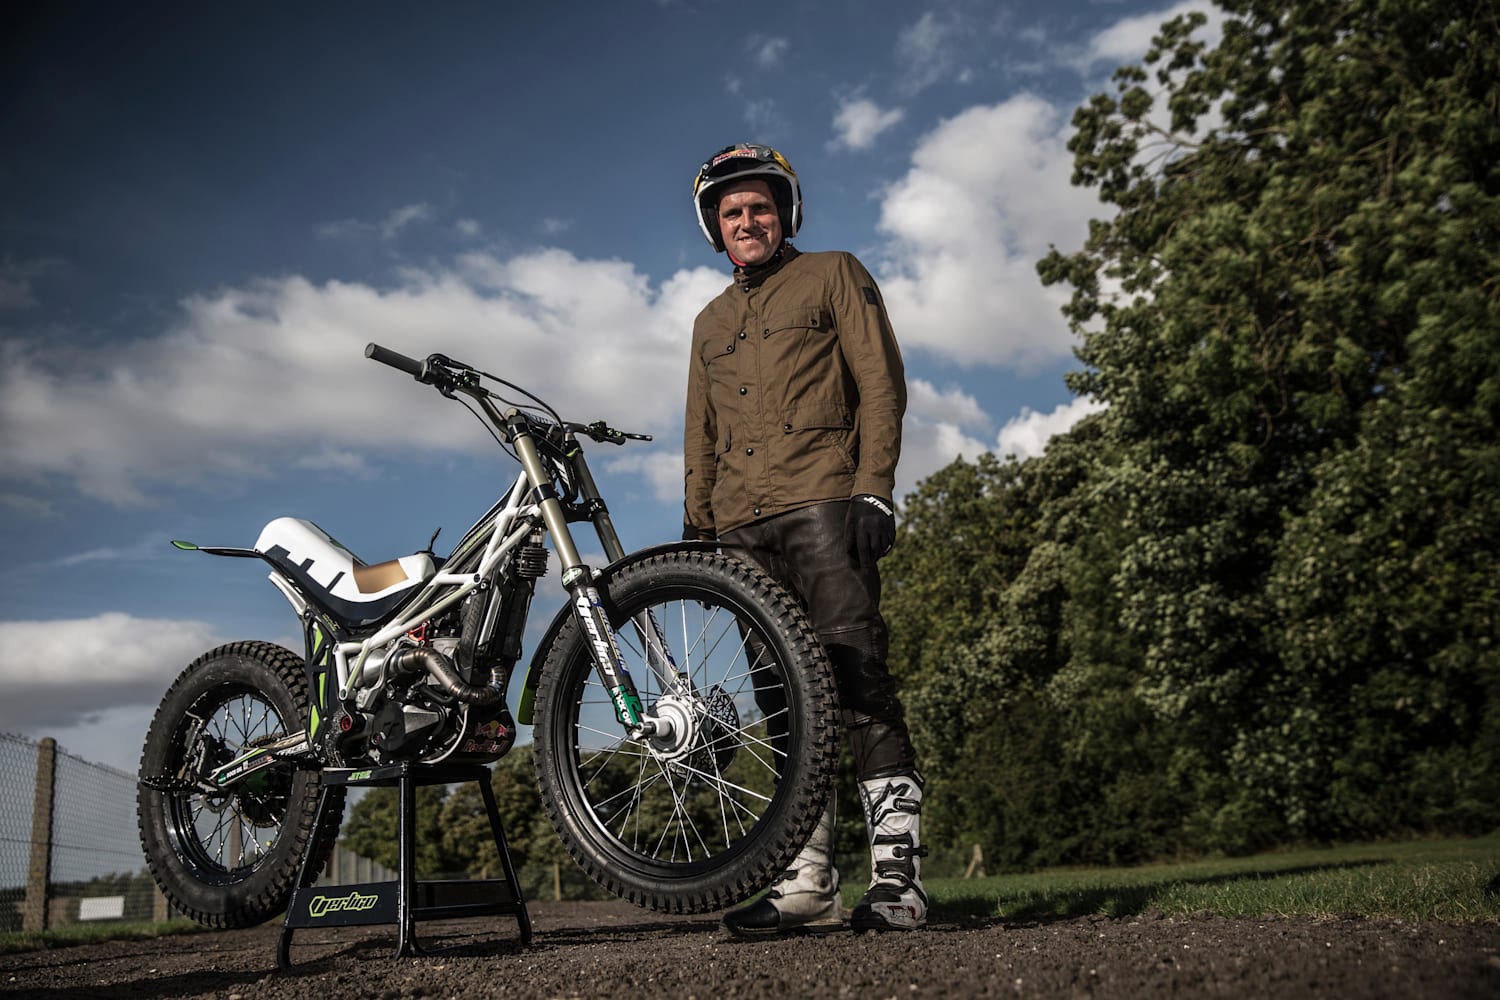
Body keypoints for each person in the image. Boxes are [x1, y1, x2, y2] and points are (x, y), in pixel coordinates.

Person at [684, 142, 927, 935]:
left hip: (824, 502)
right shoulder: (709, 321)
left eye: (759, 206)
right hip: (740, 528)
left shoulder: (833, 273)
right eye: (731, 212)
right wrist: (698, 531)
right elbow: (702, 432)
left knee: (857, 682)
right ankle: (806, 885)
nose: (746, 220)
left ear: (785, 212)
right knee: (784, 705)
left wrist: (874, 489)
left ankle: (899, 884)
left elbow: (880, 383)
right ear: (713, 227)